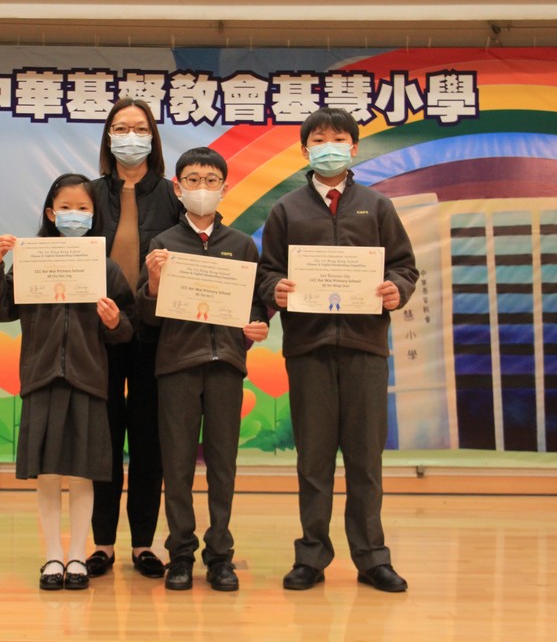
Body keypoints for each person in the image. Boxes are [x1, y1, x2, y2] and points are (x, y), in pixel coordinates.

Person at [257, 107, 419, 593]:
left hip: (366, 349)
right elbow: (267, 272)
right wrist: (275, 290)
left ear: (354, 147)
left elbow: (405, 267)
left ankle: (372, 558)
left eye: (338, 139)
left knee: (366, 460)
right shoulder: (286, 210)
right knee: (314, 460)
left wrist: (395, 288)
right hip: (308, 349)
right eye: (319, 139)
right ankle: (311, 555)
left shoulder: (378, 206)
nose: (329, 147)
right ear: (305, 149)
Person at [0, 173, 135, 591]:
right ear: (50, 213)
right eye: (65, 208)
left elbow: (127, 328)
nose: (74, 215)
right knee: (47, 474)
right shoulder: (30, 261)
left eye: (83, 208)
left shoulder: (106, 268)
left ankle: (78, 556)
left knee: (83, 474)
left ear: (94, 215)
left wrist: (115, 322)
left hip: (88, 379)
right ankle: (52, 557)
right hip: (42, 377)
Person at [137, 147, 269, 591]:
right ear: (178, 188)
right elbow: (149, 318)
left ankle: (220, 555)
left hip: (227, 365)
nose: (202, 188)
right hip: (177, 365)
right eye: (192, 180)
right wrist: (154, 283)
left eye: (211, 180)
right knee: (176, 465)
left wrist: (258, 324)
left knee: (222, 465)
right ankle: (180, 554)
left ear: (224, 188)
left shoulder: (242, 244)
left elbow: (256, 304)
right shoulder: (162, 244)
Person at [85, 98, 182, 579]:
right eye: (120, 127)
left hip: (155, 334)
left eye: (139, 128)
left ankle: (144, 544)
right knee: (102, 441)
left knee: (148, 442)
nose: (130, 136)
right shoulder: (87, 193)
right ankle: (102, 544)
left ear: (153, 137)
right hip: (99, 334)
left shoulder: (172, 195)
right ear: (108, 136)